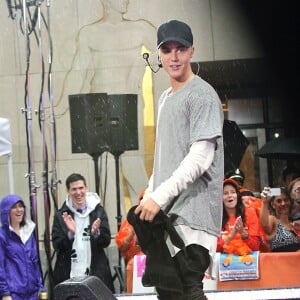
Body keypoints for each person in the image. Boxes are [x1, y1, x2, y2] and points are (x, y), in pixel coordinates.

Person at [133, 19, 224, 300]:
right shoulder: (163, 99)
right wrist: (151, 191)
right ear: (159, 54)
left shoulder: (202, 95)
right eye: (167, 49)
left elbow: (200, 157)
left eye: (180, 49)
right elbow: (166, 156)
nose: (174, 56)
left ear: (192, 51)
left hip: (193, 214)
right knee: (170, 292)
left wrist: (158, 196)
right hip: (168, 213)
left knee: (186, 290)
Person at [51, 173, 114, 292]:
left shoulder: (98, 211)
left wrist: (97, 233)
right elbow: (57, 245)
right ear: (68, 191)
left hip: (96, 271)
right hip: (68, 273)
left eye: (81, 188)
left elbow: (106, 241)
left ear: (86, 188)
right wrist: (71, 234)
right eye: (74, 189)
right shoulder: (61, 215)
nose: (78, 192)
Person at [0, 194, 44, 300]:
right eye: (14, 207)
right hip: (14, 294)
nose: (19, 210)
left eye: (21, 206)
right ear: (6, 211)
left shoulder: (28, 233)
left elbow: (35, 262)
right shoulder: (2, 236)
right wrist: (5, 292)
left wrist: (40, 287)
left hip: (33, 293)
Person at [217, 179, 261, 255]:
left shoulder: (250, 213)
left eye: (233, 192)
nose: (230, 195)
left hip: (247, 263)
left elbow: (256, 246)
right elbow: (214, 247)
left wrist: (243, 233)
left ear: (237, 195)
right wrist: (231, 235)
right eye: (225, 193)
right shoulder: (216, 218)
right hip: (223, 264)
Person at [115, 191, 144, 293]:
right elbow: (122, 248)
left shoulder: (159, 218)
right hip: (137, 260)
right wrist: (132, 233)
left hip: (157, 258)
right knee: (136, 263)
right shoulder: (130, 221)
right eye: (142, 199)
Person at [260, 186, 300, 252]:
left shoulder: (294, 224)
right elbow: (265, 225)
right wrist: (265, 202)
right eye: (279, 201)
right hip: (279, 261)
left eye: (286, 200)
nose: (283, 203)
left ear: (290, 202)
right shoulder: (273, 220)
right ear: (273, 204)